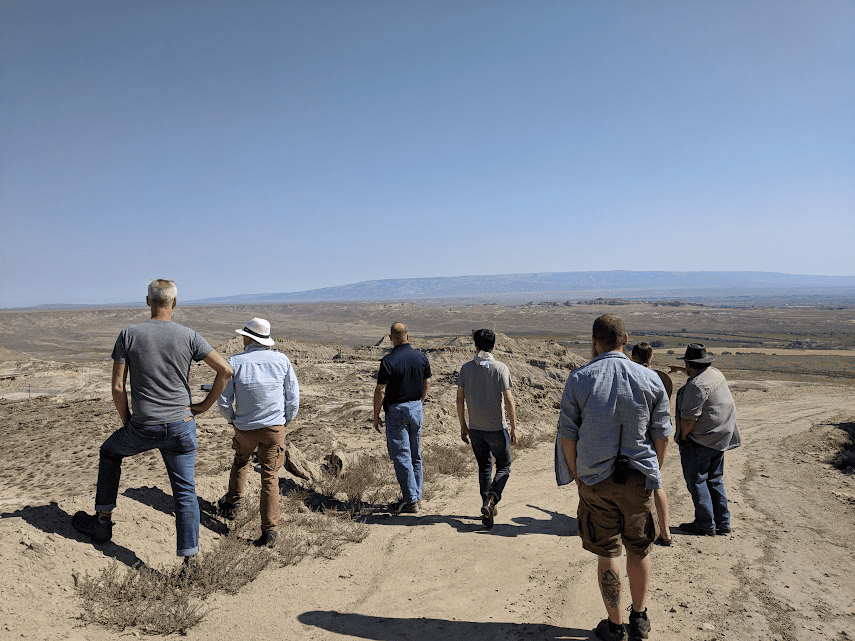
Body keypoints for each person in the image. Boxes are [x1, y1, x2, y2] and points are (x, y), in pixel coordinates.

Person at [72, 280, 233, 566]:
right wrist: (203, 408)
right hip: (182, 424)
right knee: (185, 490)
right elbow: (225, 369)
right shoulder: (189, 336)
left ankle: (102, 522)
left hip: (144, 426)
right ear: (175, 303)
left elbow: (118, 388)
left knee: (110, 452)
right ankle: (190, 563)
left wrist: (129, 423)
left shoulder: (129, 335)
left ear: (147, 301)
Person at [559, 315, 672, 641]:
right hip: (637, 480)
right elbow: (662, 437)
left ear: (595, 342)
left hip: (595, 480)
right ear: (625, 340)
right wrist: (655, 473)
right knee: (638, 550)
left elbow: (568, 436)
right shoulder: (650, 380)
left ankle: (615, 625)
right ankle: (639, 618)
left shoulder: (579, 379)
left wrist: (580, 478)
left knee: (608, 552)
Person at [216, 317, 300, 547]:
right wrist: (285, 421)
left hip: (245, 426)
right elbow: (293, 397)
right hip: (274, 428)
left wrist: (232, 419)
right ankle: (270, 531)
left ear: (248, 337)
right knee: (270, 477)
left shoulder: (235, 361)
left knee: (241, 461)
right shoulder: (281, 360)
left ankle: (232, 504)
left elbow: (223, 401)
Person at [670, 344, 741, 537]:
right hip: (721, 437)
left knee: (697, 481)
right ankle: (723, 522)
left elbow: (688, 419)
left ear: (689, 364)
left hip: (701, 439)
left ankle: (704, 524)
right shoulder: (715, 374)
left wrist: (683, 437)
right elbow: (697, 373)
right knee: (715, 479)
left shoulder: (695, 387)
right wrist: (680, 370)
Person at [456, 329, 518, 528]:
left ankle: (486, 507)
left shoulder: (465, 369)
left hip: (475, 427)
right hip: (497, 428)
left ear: (475, 345)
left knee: (484, 467)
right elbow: (508, 400)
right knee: (504, 466)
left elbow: (459, 399)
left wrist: (463, 425)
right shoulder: (501, 368)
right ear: (494, 345)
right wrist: (514, 427)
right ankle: (492, 499)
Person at [372, 322, 431, 514]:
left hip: (396, 410)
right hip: (416, 408)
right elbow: (427, 382)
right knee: (415, 454)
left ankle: (410, 500)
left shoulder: (389, 361)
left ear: (391, 338)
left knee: (402, 456)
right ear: (408, 335)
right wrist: (419, 402)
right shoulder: (421, 357)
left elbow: (381, 390)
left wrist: (375, 415)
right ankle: (416, 495)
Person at [630, 342, 673, 546]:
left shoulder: (628, 376)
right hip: (654, 439)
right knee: (657, 485)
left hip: (633, 439)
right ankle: (665, 533)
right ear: (651, 356)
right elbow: (664, 422)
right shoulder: (658, 379)